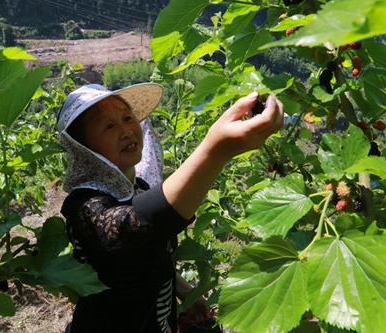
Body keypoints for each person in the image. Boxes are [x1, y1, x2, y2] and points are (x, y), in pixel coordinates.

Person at [56, 83, 284, 333]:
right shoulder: (84, 206)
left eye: (127, 117)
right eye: (109, 126)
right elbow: (137, 227)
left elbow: (147, 251)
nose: (126, 130)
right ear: (84, 149)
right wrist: (217, 149)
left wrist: (185, 291)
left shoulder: (138, 186)